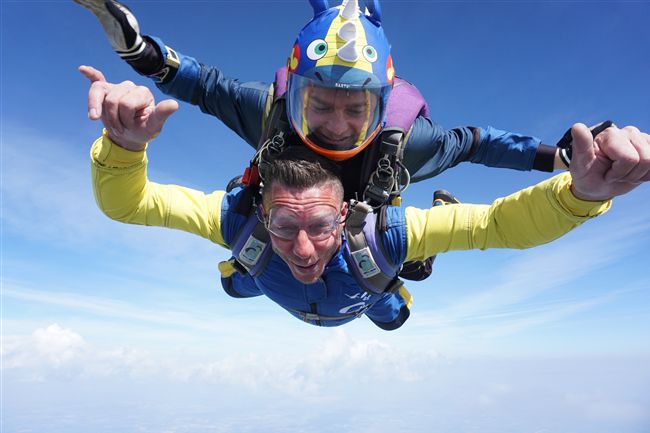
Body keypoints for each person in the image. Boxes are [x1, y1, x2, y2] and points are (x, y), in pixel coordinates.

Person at [77, 0, 607, 282]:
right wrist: (141, 53)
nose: (335, 125)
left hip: (366, 229)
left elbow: (475, 144)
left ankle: (419, 254)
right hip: (288, 228)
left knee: (395, 290)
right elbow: (206, 86)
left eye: (357, 110)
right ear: (294, 96)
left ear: (381, 105)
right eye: (320, 105)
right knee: (246, 267)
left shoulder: (405, 143)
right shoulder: (271, 113)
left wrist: (558, 159)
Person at [82, 67, 650, 330]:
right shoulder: (240, 223)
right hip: (316, 279)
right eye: (283, 224)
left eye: (319, 224)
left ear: (347, 213)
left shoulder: (383, 235)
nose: (303, 248)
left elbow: (498, 225)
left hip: (367, 284)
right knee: (237, 282)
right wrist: (124, 146)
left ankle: (420, 259)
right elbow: (131, 205)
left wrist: (579, 194)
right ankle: (409, 265)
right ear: (263, 211)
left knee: (394, 314)